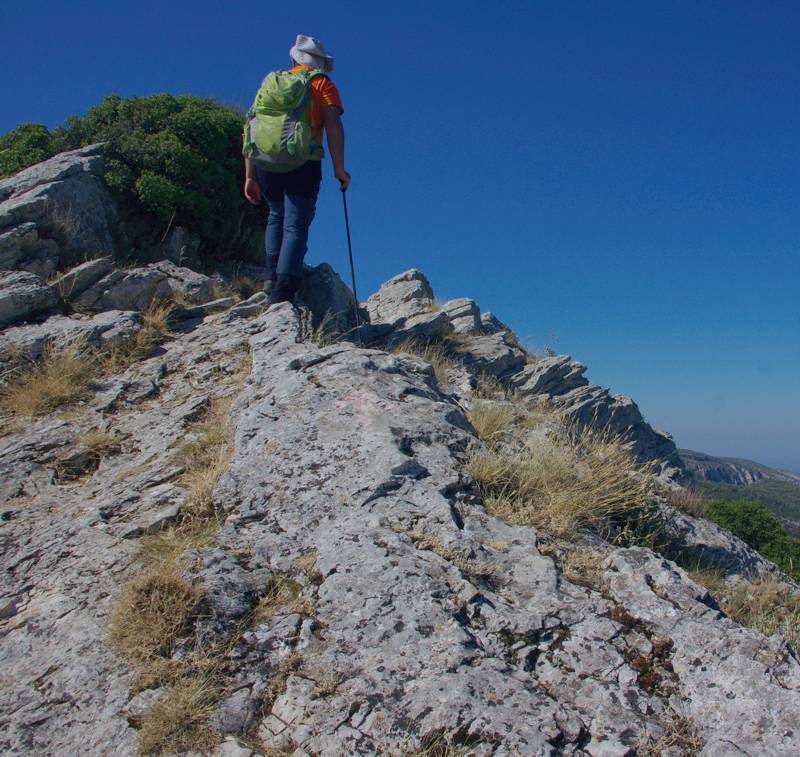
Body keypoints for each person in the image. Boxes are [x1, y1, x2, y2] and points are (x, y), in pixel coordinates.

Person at [243, 34, 351, 305]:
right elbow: (333, 126)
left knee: (276, 215)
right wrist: (340, 169)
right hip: (303, 161)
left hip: (265, 162)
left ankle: (270, 277)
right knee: (295, 224)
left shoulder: (271, 83)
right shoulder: (321, 84)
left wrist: (249, 176)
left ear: (294, 59)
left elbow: (251, 128)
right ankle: (284, 291)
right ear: (320, 63)